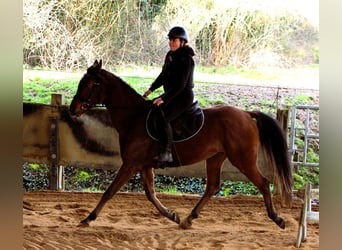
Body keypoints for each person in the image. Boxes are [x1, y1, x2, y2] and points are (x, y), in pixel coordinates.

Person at [143, 26, 195, 164]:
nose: (171, 42)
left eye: (175, 40)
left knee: (164, 117)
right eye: (170, 40)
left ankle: (167, 153)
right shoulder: (170, 55)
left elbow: (181, 85)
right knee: (151, 108)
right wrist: (151, 89)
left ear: (182, 42)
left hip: (183, 96)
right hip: (172, 93)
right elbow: (163, 75)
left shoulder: (186, 59)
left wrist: (163, 98)